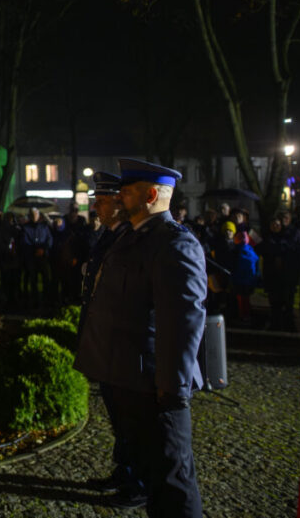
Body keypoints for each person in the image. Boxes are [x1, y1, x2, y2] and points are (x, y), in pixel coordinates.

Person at [75, 159, 207, 516]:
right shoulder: (133, 236)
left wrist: (173, 390)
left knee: (172, 486)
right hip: (129, 378)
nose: (119, 195)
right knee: (152, 477)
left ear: (150, 194)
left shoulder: (172, 243)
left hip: (155, 388)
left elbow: (183, 322)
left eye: (127, 190)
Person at [77, 172, 141, 499]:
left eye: (102, 201)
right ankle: (124, 470)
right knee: (117, 413)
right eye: (96, 201)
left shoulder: (129, 237)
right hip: (104, 336)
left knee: (129, 416)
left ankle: (137, 481)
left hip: (120, 340)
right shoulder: (108, 235)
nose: (96, 208)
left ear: (119, 203)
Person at [20, 207, 53, 308]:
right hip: (32, 257)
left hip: (43, 257)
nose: (34, 216)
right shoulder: (25, 228)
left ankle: (46, 300)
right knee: (33, 280)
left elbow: (49, 239)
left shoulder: (44, 227)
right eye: (32, 215)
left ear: (38, 215)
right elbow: (25, 242)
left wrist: (43, 249)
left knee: (46, 279)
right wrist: (35, 250)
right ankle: (34, 301)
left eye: (36, 214)